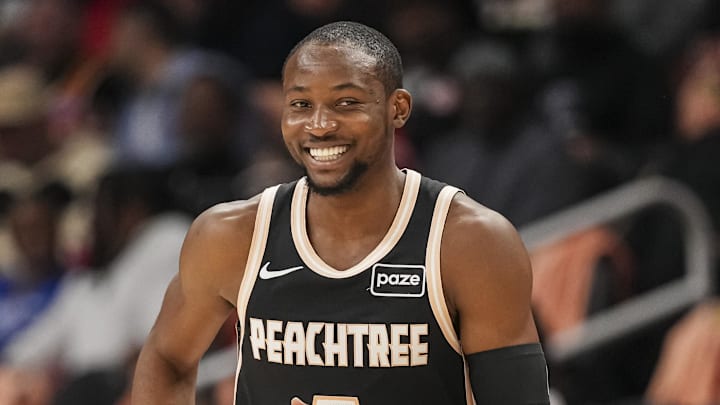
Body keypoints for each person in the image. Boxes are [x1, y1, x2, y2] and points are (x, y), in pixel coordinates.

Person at [131, 21, 549, 404]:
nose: (319, 125)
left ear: (398, 108)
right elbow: (167, 357)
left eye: (345, 103)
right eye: (300, 104)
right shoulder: (231, 235)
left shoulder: (472, 242)